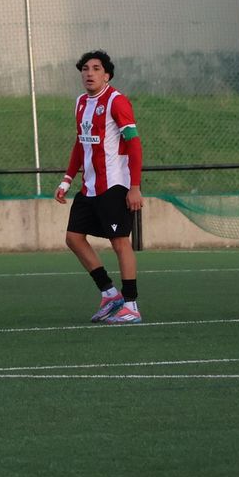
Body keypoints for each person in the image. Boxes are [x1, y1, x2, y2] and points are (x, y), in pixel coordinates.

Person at [56, 50, 144, 324]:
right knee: (73, 238)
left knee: (120, 243)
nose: (89, 73)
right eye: (84, 69)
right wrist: (67, 179)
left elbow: (134, 144)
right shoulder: (81, 102)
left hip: (115, 186)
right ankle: (109, 294)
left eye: (95, 69)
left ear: (107, 75)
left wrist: (135, 187)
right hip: (90, 188)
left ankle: (131, 305)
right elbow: (80, 144)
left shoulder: (117, 102)